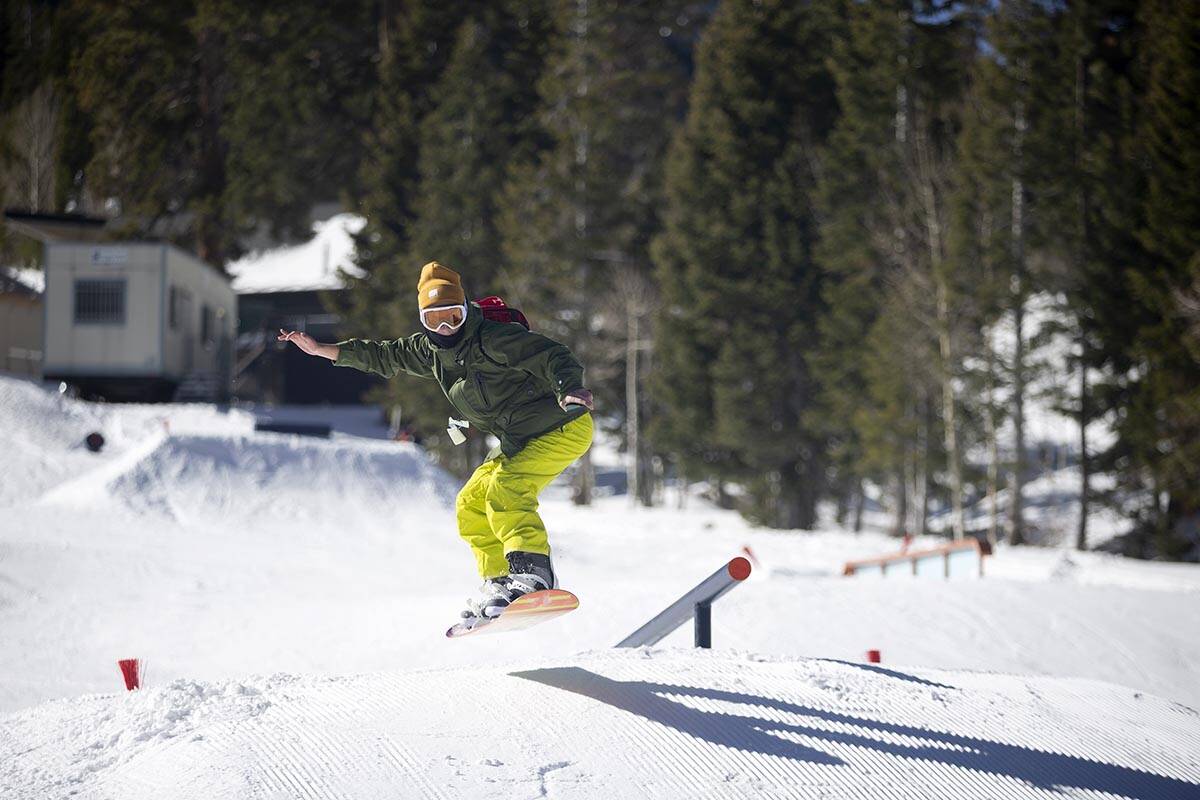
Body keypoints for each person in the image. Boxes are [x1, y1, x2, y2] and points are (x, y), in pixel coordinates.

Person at [278, 261, 594, 623]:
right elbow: (382, 356)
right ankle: (501, 583)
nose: (445, 328)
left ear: (466, 312)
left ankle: (533, 574)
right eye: (434, 320)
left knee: (507, 489)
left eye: (453, 317)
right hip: (519, 438)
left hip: (561, 427)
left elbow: (552, 355)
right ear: (422, 320)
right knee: (471, 502)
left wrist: (569, 387)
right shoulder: (428, 351)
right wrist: (321, 350)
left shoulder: (493, 339)